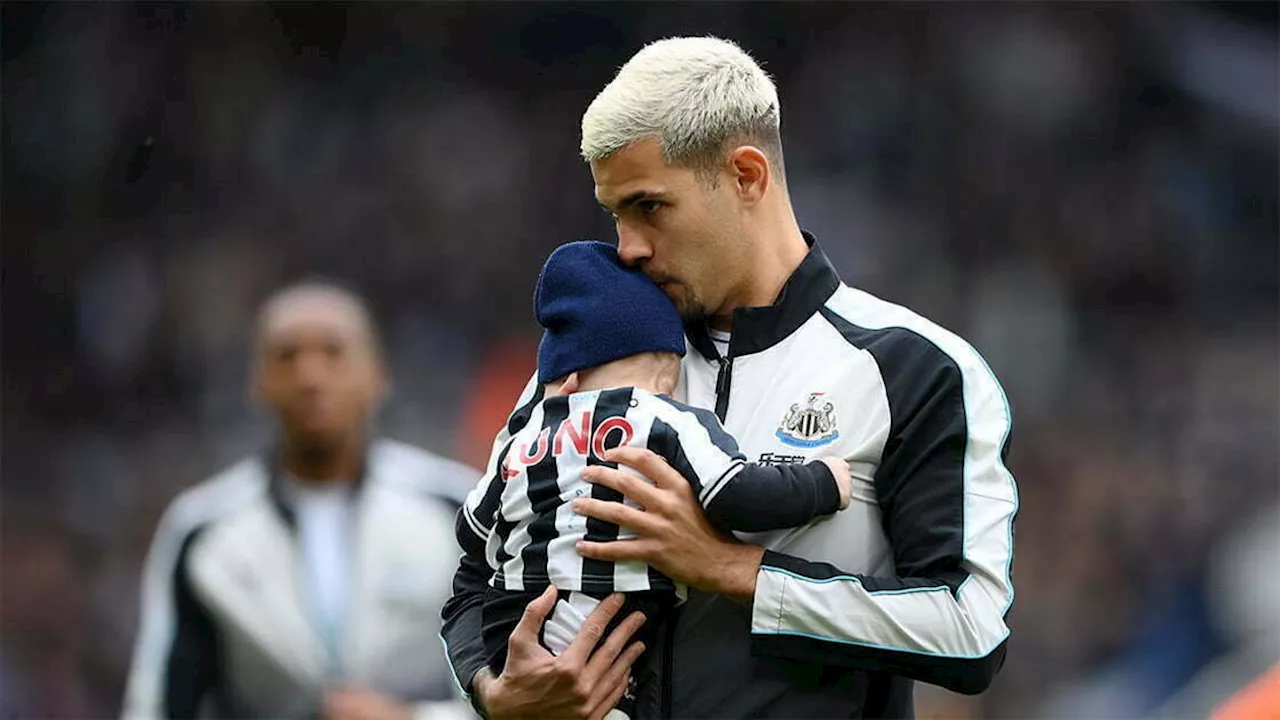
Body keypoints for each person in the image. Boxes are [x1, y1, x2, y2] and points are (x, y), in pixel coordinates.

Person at [441, 36, 1019, 719]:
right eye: (614, 214)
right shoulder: (596, 355)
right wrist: (495, 692)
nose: (626, 246)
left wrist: (733, 571)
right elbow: (474, 580)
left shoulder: (914, 369)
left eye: (649, 207)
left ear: (747, 175)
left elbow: (969, 629)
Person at [462, 240, 853, 719]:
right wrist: (823, 484)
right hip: (602, 626)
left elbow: (473, 530)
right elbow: (737, 492)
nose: (669, 389)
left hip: (512, 630)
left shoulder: (521, 436)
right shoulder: (657, 415)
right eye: (664, 377)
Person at [123, 281, 476, 720]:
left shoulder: (458, 509)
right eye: (286, 356)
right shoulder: (204, 531)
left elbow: (514, 691)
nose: (310, 376)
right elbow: (158, 703)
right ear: (258, 381)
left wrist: (410, 718)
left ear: (378, 375)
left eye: (333, 352)